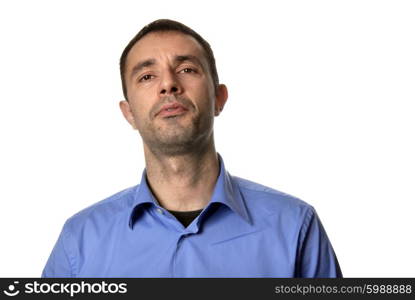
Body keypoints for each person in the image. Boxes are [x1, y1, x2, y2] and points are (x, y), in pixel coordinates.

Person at [42, 19, 342, 278]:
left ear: (219, 98)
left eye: (186, 69)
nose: (168, 85)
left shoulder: (295, 227)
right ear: (129, 112)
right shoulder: (79, 241)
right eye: (147, 76)